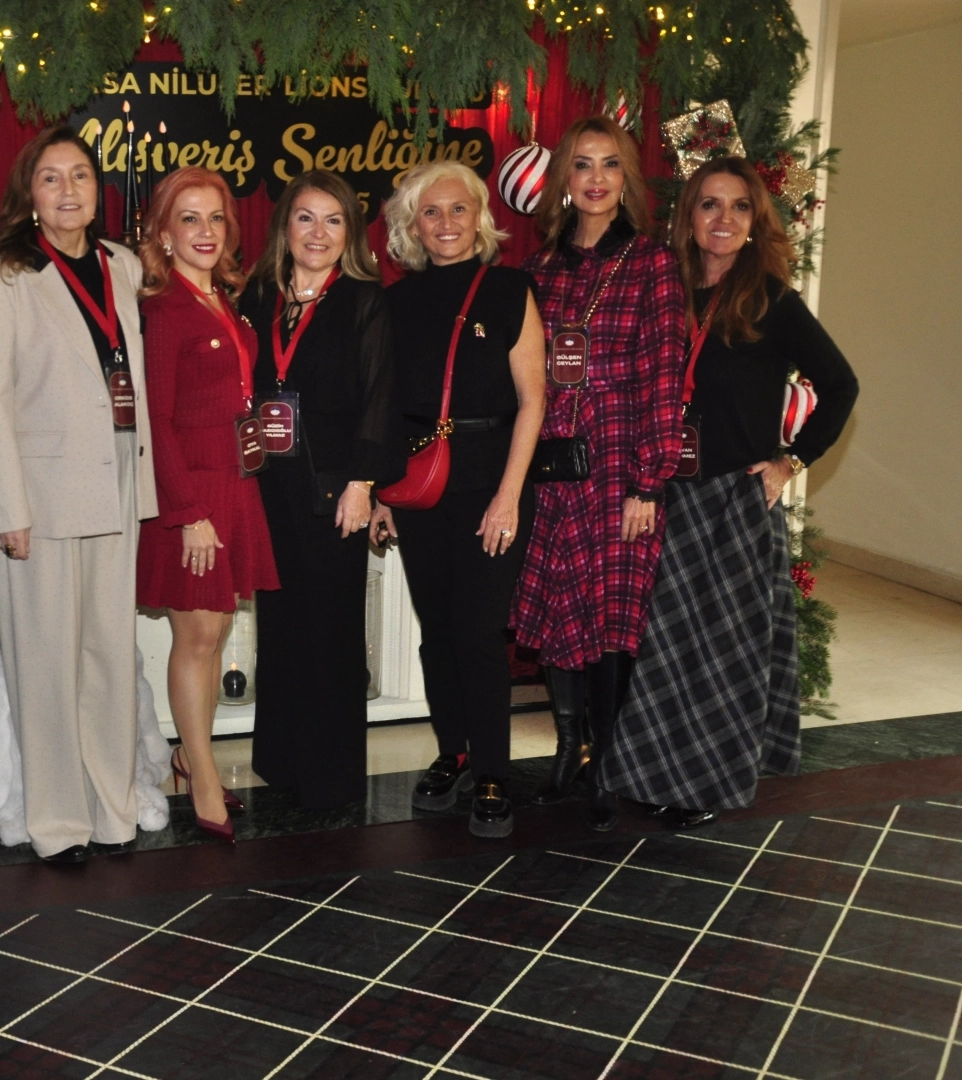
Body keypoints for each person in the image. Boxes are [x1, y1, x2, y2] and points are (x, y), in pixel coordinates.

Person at [599, 157, 858, 828]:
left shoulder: (771, 300)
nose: (723, 219)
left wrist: (790, 462)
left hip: (732, 505)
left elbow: (841, 386)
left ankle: (707, 786)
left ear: (754, 221)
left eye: (739, 206)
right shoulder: (665, 291)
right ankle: (653, 775)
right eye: (709, 204)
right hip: (663, 496)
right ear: (687, 217)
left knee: (719, 655)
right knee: (664, 651)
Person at [0, 126, 161, 863]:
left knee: (110, 656)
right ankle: (57, 823)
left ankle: (113, 809)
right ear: (29, 194)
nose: (67, 190)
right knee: (46, 663)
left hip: (116, 480)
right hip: (42, 497)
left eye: (79, 175)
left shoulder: (120, 264)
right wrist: (6, 510)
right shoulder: (2, 277)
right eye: (50, 178)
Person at [513, 115, 686, 832]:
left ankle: (610, 762)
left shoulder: (651, 263)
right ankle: (568, 748)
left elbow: (664, 376)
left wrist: (649, 481)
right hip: (553, 461)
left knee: (614, 616)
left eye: (609, 164)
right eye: (582, 164)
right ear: (563, 179)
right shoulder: (539, 270)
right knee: (561, 609)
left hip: (619, 460)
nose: (595, 178)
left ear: (626, 179)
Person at [371, 161, 547, 837]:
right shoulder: (395, 302)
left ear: (480, 217)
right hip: (421, 486)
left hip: (490, 485)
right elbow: (386, 407)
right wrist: (383, 494)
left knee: (477, 633)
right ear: (411, 227)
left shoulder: (509, 289)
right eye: (430, 212)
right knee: (437, 631)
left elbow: (533, 400)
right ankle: (454, 751)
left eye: (457, 209)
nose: (445, 223)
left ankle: (494, 770)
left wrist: (509, 496)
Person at [242, 169, 402, 810]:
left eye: (333, 220)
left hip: (336, 492)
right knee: (279, 627)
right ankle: (281, 763)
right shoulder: (258, 295)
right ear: (285, 225)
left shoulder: (364, 299)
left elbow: (380, 398)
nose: (318, 232)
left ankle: (330, 779)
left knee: (330, 632)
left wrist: (364, 484)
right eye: (305, 217)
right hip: (266, 488)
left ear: (350, 233)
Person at [134, 167, 281, 842]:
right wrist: (188, 512)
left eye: (215, 218)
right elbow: (157, 422)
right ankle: (200, 777)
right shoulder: (165, 309)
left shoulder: (222, 299)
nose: (205, 231)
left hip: (233, 484)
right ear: (163, 233)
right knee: (195, 639)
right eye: (188, 218)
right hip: (192, 495)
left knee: (215, 636)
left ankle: (193, 761)